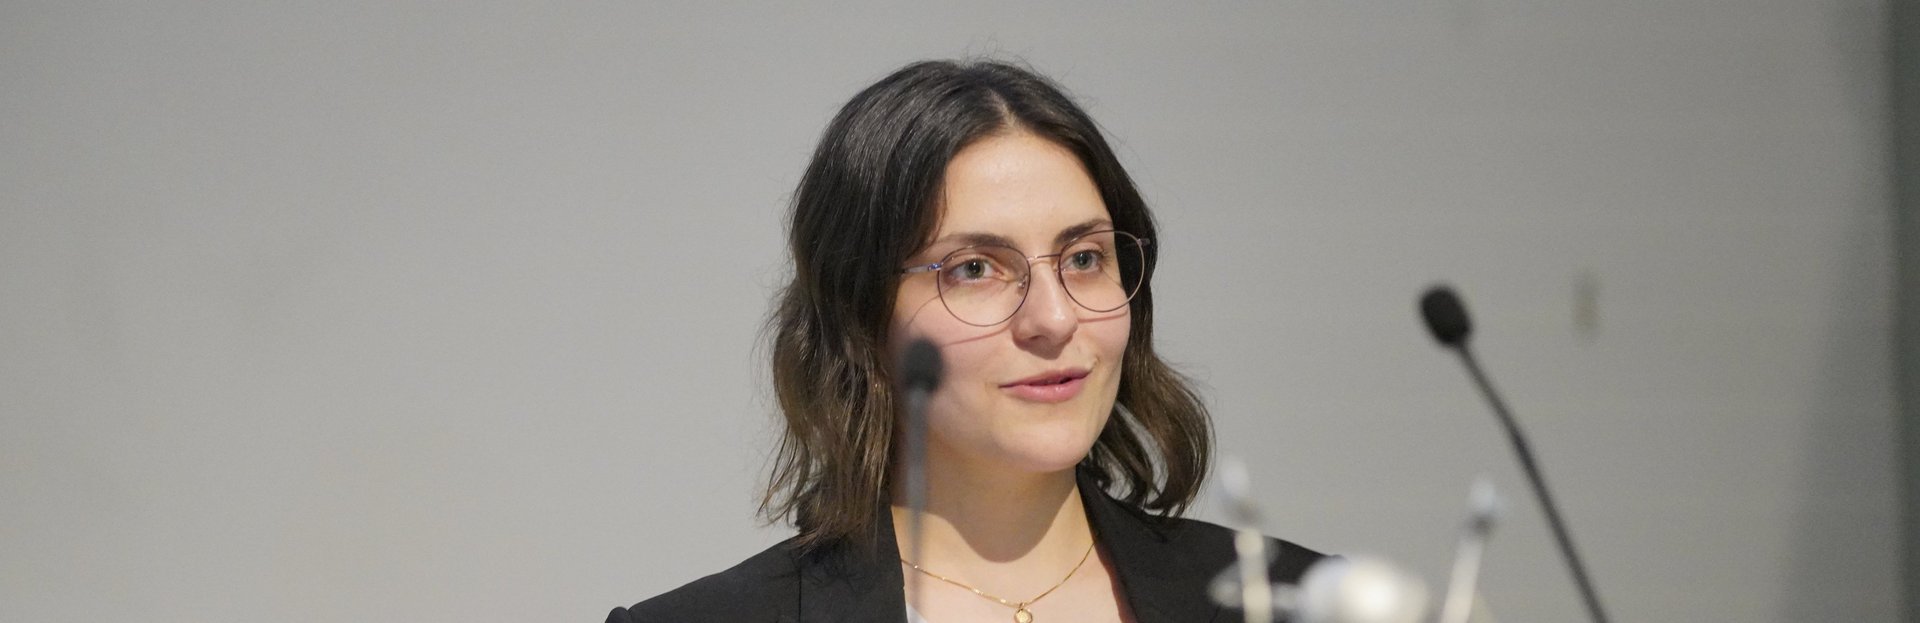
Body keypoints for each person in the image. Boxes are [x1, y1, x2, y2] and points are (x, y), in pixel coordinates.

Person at [607, 59, 1321, 623]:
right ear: (861, 314)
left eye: (1084, 258)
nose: (1054, 319)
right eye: (975, 269)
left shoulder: (1305, 601)